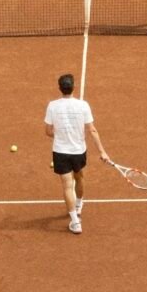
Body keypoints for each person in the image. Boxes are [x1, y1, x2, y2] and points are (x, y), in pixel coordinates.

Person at [44, 74, 109, 235]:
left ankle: (75, 222)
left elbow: (48, 131)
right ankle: (79, 205)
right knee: (79, 177)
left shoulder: (52, 106)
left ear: (60, 88)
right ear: (73, 87)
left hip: (60, 152)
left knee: (67, 186)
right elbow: (92, 130)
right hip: (79, 151)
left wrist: (60, 135)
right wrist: (102, 152)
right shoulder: (83, 105)